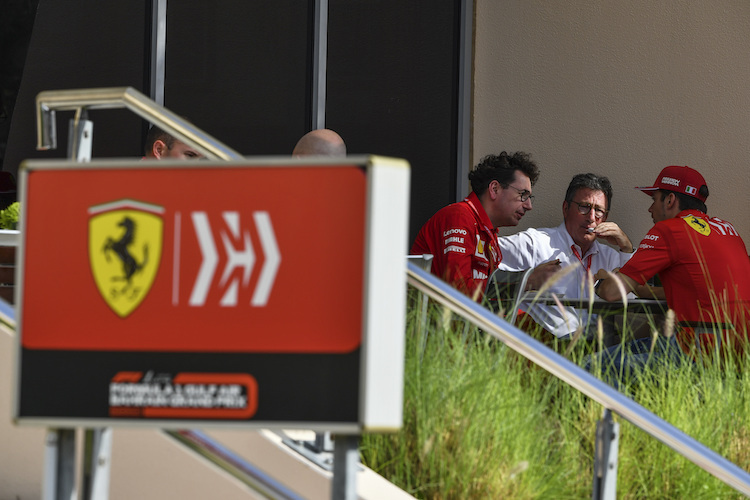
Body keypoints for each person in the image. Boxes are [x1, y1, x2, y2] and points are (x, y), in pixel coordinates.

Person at [590, 166, 750, 379]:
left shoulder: (669, 229)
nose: (650, 209)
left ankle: (627, 414)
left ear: (670, 200)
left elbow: (611, 293)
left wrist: (600, 282)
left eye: (654, 199)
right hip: (740, 357)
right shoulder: (728, 230)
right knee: (646, 345)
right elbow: (696, 290)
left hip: (698, 354)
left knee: (588, 368)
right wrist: (642, 290)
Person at [496, 173, 635, 341]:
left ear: (605, 218)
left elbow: (633, 304)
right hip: (547, 350)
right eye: (584, 207)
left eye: (598, 211)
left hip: (598, 351)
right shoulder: (536, 243)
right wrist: (527, 279)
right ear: (565, 208)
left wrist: (626, 248)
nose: (591, 217)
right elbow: (481, 253)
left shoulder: (612, 257)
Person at [411, 151, 558, 301]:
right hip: (432, 323)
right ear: (494, 189)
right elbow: (459, 289)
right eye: (523, 195)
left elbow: (492, 302)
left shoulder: (489, 233)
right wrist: (526, 281)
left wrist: (530, 323)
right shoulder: (459, 216)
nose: (529, 205)